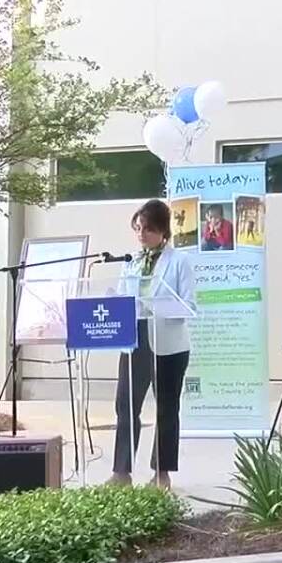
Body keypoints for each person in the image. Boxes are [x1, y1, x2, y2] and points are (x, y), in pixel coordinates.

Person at [109, 199, 196, 490]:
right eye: (138, 228)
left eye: (147, 228)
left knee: (166, 408)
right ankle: (121, 472)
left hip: (169, 343)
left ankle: (161, 474)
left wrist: (162, 305)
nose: (141, 234)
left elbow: (189, 304)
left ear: (162, 230)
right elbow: (122, 298)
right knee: (125, 405)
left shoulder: (180, 261)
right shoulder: (131, 262)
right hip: (135, 340)